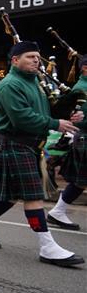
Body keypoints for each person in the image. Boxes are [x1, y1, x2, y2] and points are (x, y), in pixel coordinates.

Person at [0, 42, 84, 267]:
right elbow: (22, 117)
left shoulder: (35, 82)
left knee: (10, 195)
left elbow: (43, 111)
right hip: (15, 144)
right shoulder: (11, 84)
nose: (36, 60)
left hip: (29, 146)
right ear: (15, 60)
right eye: (30, 56)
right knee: (33, 197)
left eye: (37, 57)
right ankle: (47, 246)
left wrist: (68, 114)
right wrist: (55, 123)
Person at [48, 56, 87, 230]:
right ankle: (58, 211)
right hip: (85, 136)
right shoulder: (80, 89)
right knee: (80, 180)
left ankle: (58, 211)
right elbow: (78, 120)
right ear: (85, 68)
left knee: (81, 181)